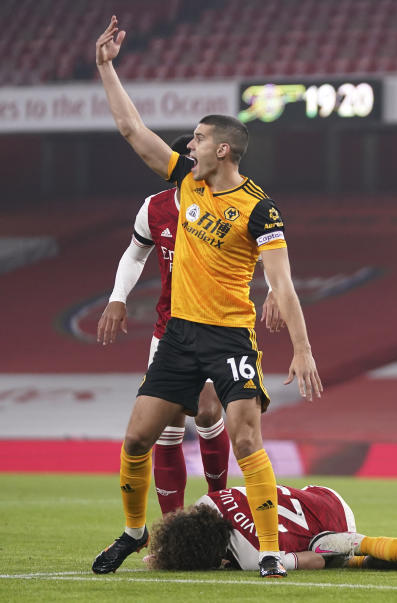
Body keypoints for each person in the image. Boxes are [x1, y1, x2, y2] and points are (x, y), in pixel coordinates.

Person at [92, 16, 323, 579]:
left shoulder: (259, 209)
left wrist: (303, 349)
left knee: (247, 439)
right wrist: (105, 67)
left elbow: (283, 285)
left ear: (222, 149)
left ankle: (270, 549)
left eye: (196, 139)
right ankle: (133, 531)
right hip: (178, 336)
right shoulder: (186, 184)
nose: (187, 145)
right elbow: (133, 132)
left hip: (230, 338)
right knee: (136, 437)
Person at [96, 133, 286, 513]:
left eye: (193, 153)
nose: (190, 161)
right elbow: (134, 255)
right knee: (165, 432)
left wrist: (275, 291)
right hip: (169, 330)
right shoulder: (154, 208)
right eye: (187, 155)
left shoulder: (227, 206)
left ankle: (217, 507)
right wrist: (118, 298)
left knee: (208, 412)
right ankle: (171, 529)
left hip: (217, 327)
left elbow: (260, 249)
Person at [147, 484, 356, 571]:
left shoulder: (253, 557)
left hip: (341, 525)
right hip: (322, 494)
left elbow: (316, 560)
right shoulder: (208, 501)